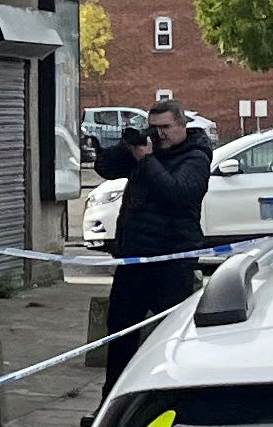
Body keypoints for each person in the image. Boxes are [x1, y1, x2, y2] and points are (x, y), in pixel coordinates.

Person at [89, 93, 212, 406]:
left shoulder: (196, 157)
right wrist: (129, 145)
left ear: (183, 125)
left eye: (166, 127)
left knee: (173, 334)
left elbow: (178, 193)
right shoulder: (148, 150)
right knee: (119, 333)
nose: (160, 134)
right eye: (154, 127)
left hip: (171, 259)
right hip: (135, 257)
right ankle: (111, 405)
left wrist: (147, 160)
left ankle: (179, 399)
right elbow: (104, 167)